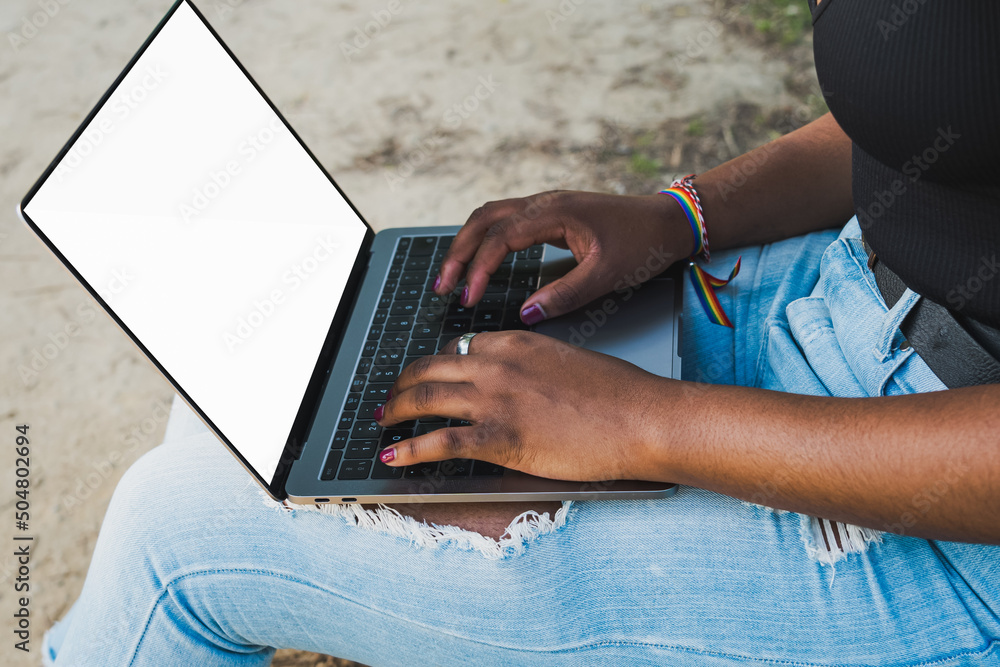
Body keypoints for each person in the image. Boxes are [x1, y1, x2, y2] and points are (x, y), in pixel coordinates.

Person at [43, 1, 999, 665]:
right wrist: (678, 216)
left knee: (176, 530)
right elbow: (939, 104)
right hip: (837, 291)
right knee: (253, 417)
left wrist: (641, 425)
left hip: (955, 531)